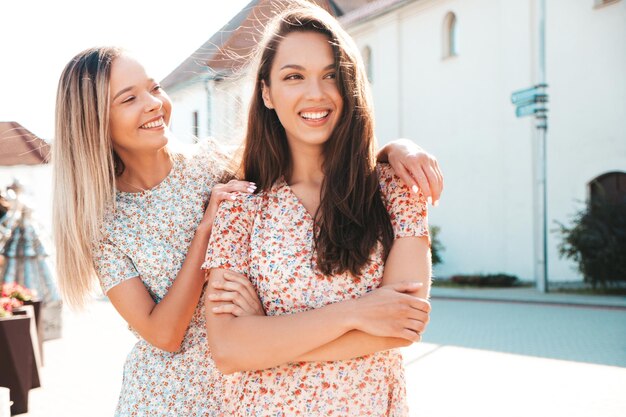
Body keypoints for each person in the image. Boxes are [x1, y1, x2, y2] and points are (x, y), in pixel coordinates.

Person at [52, 45, 442, 416]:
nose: (154, 103)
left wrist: (394, 150)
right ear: (94, 123)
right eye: (129, 98)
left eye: (153, 88)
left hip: (259, 385)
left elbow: (310, 160)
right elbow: (163, 333)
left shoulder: (216, 164)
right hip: (169, 397)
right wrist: (206, 230)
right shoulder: (105, 225)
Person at [203, 3, 432, 416]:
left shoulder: (395, 189)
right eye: (294, 77)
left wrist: (268, 341)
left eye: (331, 76)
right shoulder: (239, 205)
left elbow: (404, 326)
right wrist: (358, 312)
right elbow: (227, 349)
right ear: (267, 93)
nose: (316, 93)